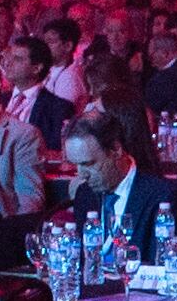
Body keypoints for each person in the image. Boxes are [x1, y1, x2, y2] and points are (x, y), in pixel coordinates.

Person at [59, 106, 170, 257]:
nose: (81, 174)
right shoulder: (85, 195)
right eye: (76, 165)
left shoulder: (161, 196)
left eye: (88, 164)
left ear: (116, 150)